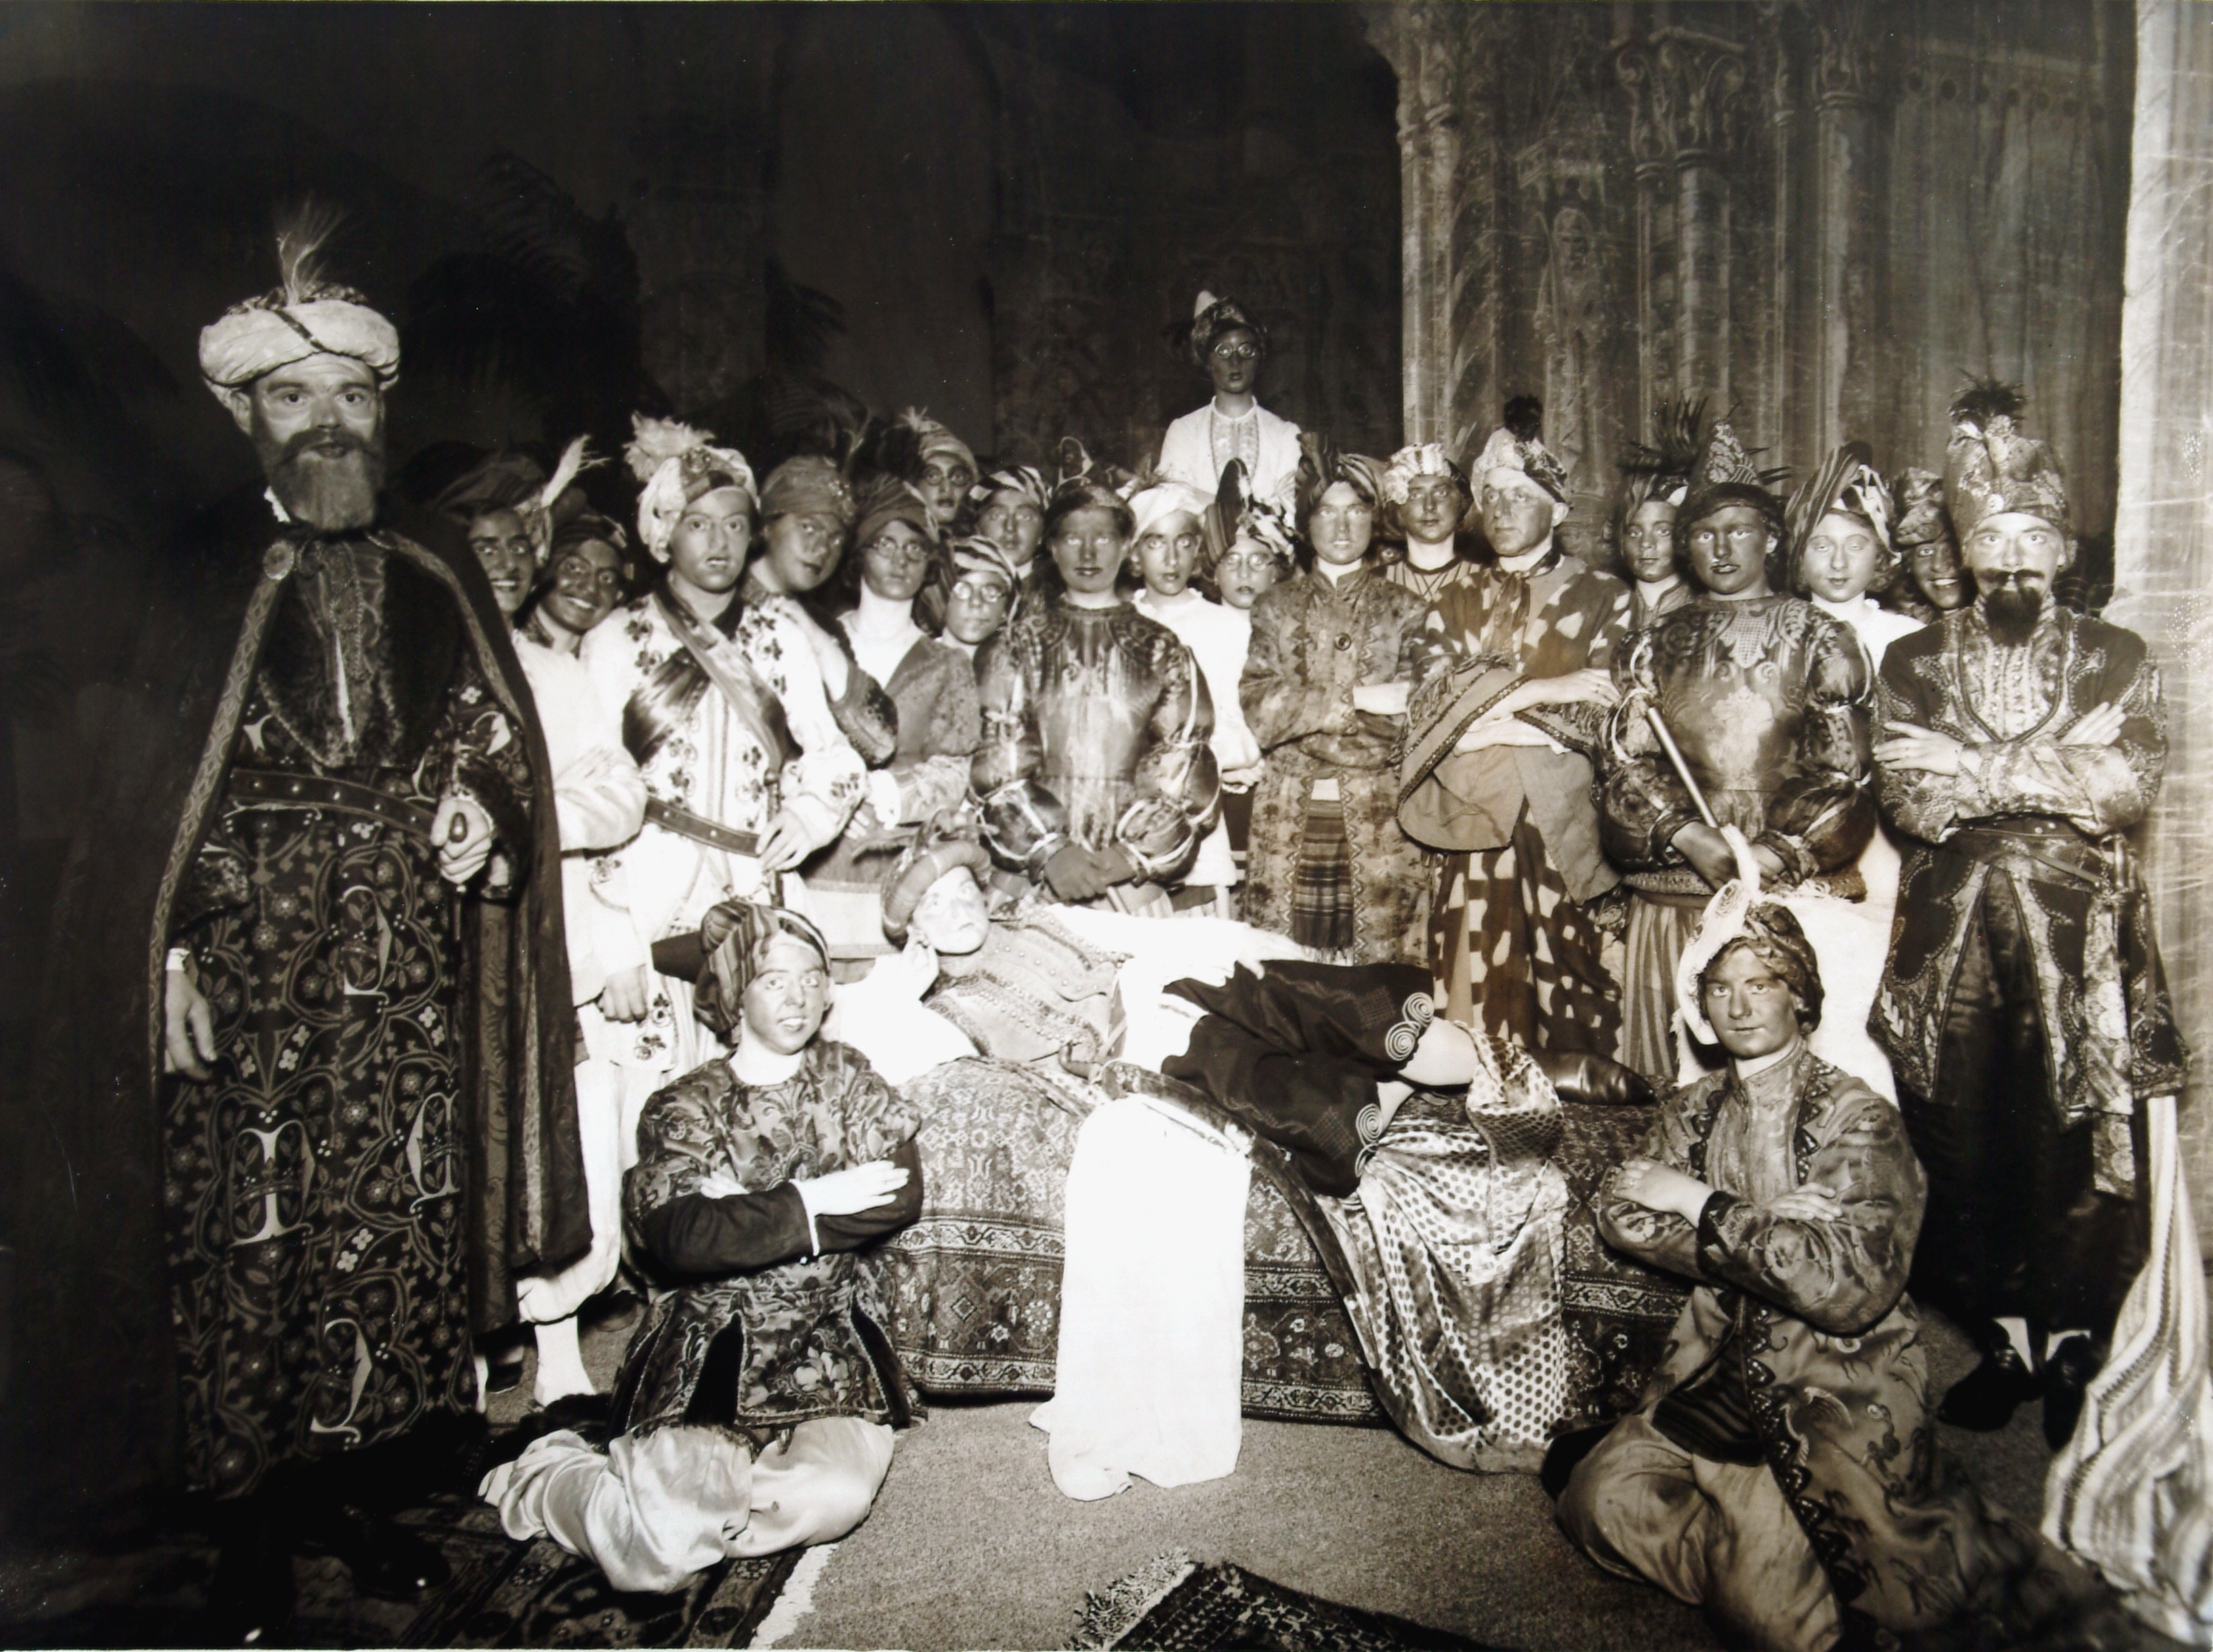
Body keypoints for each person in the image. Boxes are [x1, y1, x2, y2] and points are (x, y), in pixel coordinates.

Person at [11, 223, 587, 1634]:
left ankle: (358, 1494)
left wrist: (482, 812)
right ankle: (252, 1524)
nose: (327, 421)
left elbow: (489, 732)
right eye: (292, 396)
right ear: (244, 416)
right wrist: (165, 954)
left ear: (381, 408)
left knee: (387, 1227)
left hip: (404, 967)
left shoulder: (432, 557)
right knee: (251, 1243)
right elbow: (148, 801)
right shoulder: (197, 563)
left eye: (351, 395)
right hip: (250, 968)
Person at [1559, 899, 2067, 1652]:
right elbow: (1621, 1213)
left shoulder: (1859, 1118)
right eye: (1720, 988)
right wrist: (1772, 1224)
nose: (1739, 1006)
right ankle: (1743, 1551)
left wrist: (1702, 1202)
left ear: (1799, 997)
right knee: (1593, 1506)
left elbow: (1846, 1286)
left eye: (1761, 984)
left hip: (1827, 1386)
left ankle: (1768, 1564)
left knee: (1777, 1627)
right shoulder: (1692, 1107)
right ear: (1702, 1008)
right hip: (1710, 1372)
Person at [1868, 383, 2187, 1441]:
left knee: (2078, 1137)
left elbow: (2123, 786)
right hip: (1948, 936)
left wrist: (1973, 764)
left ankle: (2077, 1346)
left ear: (2061, 549)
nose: (2010, 562)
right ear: (1962, 551)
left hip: (2078, 932)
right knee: (1961, 1142)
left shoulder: (2117, 654)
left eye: (2030, 540)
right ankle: (2004, 1341)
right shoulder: (1910, 660)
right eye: (1990, 541)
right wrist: (2052, 764)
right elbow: (1908, 795)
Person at [481, 904, 922, 1592]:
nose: (798, 997)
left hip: (828, 1340)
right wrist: (814, 1197)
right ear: (735, 992)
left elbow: (898, 1195)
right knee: (654, 1558)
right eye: (774, 980)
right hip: (712, 1345)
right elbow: (681, 1239)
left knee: (833, 1499)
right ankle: (550, 1478)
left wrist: (740, 1209)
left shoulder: (848, 1078)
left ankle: (702, 1501)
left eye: (812, 978)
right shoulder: (684, 1103)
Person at [444, 447, 651, 1409]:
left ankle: (556, 1340)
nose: (504, 563)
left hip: (546, 937)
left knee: (560, 1132)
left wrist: (520, 817)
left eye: (515, 545)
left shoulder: (553, 672)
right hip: (444, 945)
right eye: (480, 545)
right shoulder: (425, 663)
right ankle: (462, 1342)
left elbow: (619, 796)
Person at [582, 419, 867, 1100]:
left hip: (755, 892)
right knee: (643, 1096)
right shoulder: (616, 638)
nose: (719, 542)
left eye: (735, 525)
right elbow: (588, 791)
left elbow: (836, 758)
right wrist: (611, 948)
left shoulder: (780, 635)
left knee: (761, 1092)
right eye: (699, 524)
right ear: (664, 534)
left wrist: (809, 813)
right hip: (642, 896)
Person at [1600, 420, 1874, 1081]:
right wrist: (1684, 834)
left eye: (1739, 530)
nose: (1720, 548)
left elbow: (1845, 775)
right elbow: (1622, 765)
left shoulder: (1822, 638)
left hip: (1786, 896)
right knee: (1671, 1092)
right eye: (1702, 533)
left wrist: (1775, 852)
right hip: (1675, 895)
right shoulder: (1649, 642)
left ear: (1771, 538)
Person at [1401, 397, 1628, 1051]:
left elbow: (1604, 712)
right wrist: (1544, 690)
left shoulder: (1604, 597)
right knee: (1472, 993)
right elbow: (1429, 711)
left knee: (1574, 995)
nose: (1501, 510)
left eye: (1520, 496)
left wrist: (1480, 718)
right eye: (1492, 497)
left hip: (1566, 821)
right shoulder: (1452, 599)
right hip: (1470, 817)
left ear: (1557, 510)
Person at [972, 478, 1220, 911]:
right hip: (1032, 879)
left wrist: (1129, 855)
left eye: (1103, 538)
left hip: (1128, 884)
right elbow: (997, 768)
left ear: (1126, 547)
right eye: (1073, 538)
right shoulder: (1014, 647)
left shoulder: (1162, 650)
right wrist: (1051, 852)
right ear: (1052, 548)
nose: (1088, 554)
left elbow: (1186, 765)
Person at [1239, 451, 1430, 961]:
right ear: (1307, 523)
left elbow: (1411, 715)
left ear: (1375, 519)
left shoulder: (1407, 609)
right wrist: (1359, 700)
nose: (1342, 526)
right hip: (1288, 812)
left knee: (1377, 975)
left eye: (1355, 511)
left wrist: (1303, 726)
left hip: (1379, 815)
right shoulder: (1274, 606)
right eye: (1326, 511)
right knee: (1285, 969)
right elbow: (1261, 709)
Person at [804, 477, 980, 949]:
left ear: (929, 564)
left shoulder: (947, 664)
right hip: (815, 855)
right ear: (859, 554)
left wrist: (875, 794)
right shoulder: (813, 644)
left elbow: (952, 771)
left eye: (914, 548)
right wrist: (825, 801)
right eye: (885, 544)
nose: (901, 559)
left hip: (902, 864)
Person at [1130, 479, 1258, 915]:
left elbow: (1247, 731)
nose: (1171, 559)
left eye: (1183, 542)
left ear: (1198, 550)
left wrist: (1195, 759)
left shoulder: (1229, 628)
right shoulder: (1119, 623)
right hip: (1124, 829)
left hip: (1200, 829)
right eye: (1155, 542)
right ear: (1134, 553)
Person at [740, 453, 900, 769]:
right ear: (767, 526)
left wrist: (815, 639)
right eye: (808, 527)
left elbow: (879, 742)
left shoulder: (824, 627)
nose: (822, 548)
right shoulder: (720, 604)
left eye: (835, 538)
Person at [1157, 291, 1301, 505]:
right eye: (1223, 351)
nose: (1235, 362)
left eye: (1246, 350)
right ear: (1207, 362)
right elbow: (1171, 498)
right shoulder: (1184, 431)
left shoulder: (1285, 435)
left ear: (1259, 358)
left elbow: (1291, 505)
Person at [1787, 444, 1923, 669]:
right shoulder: (1779, 637)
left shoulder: (1909, 636)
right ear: (1800, 557)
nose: (1838, 563)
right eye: (1822, 547)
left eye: (1855, 546)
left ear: (1879, 555)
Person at [1611, 400, 1704, 634]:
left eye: (1663, 531)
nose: (1646, 544)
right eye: (1634, 532)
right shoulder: (1606, 610)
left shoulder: (1704, 614)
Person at [1376, 442, 1478, 602]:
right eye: (1415, 495)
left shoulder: (1486, 580)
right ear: (1399, 510)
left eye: (1441, 493)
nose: (1429, 506)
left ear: (1460, 503)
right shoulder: (1375, 584)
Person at [1890, 467, 1971, 620]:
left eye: (1953, 549)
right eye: (1926, 552)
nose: (1939, 566)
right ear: (1909, 565)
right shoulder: (1901, 627)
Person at [965, 464, 1050, 595]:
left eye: (1025, 517)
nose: (1010, 527)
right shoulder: (958, 585)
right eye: (996, 516)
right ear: (977, 528)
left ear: (1042, 531)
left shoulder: (1056, 594)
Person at [939, 532, 1022, 659]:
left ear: (1007, 609)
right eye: (962, 590)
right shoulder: (914, 660)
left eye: (991, 593)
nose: (976, 602)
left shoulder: (1021, 666)